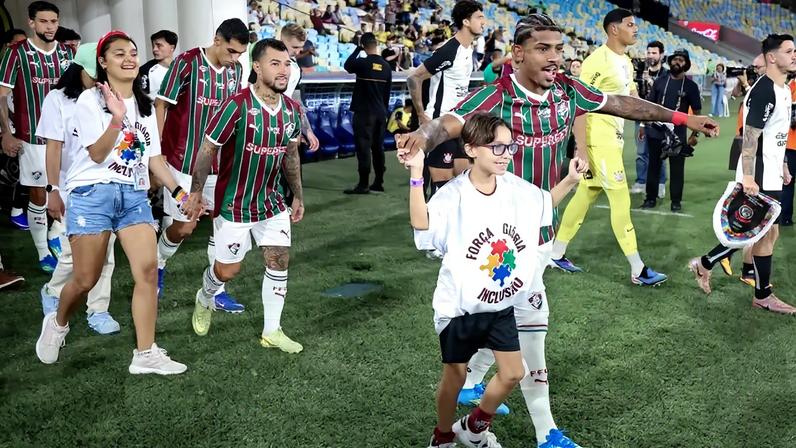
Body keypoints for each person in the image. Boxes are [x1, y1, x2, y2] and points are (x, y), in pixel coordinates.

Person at [397, 13, 718, 446]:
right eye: (543, 49)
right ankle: (545, 431)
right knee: (532, 330)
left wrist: (682, 119)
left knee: (502, 316)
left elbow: (621, 103)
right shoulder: (494, 96)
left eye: (559, 50)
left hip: (541, 228)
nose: (554, 58)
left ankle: (473, 385)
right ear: (518, 54)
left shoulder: (568, 90)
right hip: (502, 238)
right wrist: (421, 134)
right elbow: (447, 125)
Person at [406, 112, 586, 448]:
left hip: (501, 304)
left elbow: (544, 204)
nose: (505, 154)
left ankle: (473, 426)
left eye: (508, 146)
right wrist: (417, 174)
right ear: (472, 149)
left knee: (513, 373)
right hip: (459, 309)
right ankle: (442, 435)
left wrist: (571, 180)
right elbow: (422, 224)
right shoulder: (453, 195)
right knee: (455, 377)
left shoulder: (516, 189)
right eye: (496, 147)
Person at [35, 30, 187, 374]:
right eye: (119, 54)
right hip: (92, 193)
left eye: (133, 53)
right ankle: (58, 322)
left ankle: (145, 354)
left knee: (147, 271)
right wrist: (117, 119)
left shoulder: (145, 105)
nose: (130, 58)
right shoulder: (90, 100)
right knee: (85, 279)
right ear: (102, 63)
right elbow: (98, 152)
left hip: (133, 195)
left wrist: (179, 194)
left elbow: (155, 160)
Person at [184, 38, 305, 353]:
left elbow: (291, 156)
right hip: (234, 205)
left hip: (272, 201)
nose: (283, 70)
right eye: (275, 63)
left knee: (278, 260)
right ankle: (206, 296)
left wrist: (297, 196)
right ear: (257, 66)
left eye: (287, 63)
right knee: (228, 270)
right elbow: (208, 148)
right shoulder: (237, 105)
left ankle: (272, 331)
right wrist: (196, 192)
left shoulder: (291, 110)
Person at [551, 9, 667, 286]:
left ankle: (555, 253)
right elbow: (579, 105)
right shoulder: (595, 62)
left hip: (614, 138)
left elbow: (631, 99)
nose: (635, 29)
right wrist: (581, 148)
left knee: (586, 194)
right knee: (620, 199)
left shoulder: (626, 61)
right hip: (598, 140)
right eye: (630, 25)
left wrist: (648, 123)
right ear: (613, 29)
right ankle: (638, 269)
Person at [689, 34, 796, 315]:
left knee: (766, 234)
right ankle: (760, 293)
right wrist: (748, 176)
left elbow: (777, 135)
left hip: (772, 169)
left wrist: (783, 163)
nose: (794, 55)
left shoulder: (783, 88)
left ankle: (708, 264)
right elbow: (750, 137)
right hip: (758, 172)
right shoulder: (765, 90)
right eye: (789, 51)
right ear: (772, 57)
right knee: (763, 233)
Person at [154, 19, 248, 312]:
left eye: (240, 54)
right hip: (183, 161)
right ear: (216, 39)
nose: (234, 58)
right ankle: (157, 263)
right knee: (183, 227)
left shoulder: (237, 70)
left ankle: (216, 290)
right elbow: (162, 106)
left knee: (222, 226)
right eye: (231, 51)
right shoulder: (185, 63)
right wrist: (156, 153)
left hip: (220, 164)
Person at [37, 42, 120, 334]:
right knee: (77, 252)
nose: (101, 76)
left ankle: (98, 309)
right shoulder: (57, 100)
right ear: (81, 68)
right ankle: (53, 292)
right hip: (74, 186)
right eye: (96, 70)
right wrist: (52, 189)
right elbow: (53, 148)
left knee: (107, 250)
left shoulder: (107, 97)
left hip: (109, 181)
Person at [0, 1, 74, 273]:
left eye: (53, 21)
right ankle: (43, 252)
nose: (50, 27)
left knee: (65, 192)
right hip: (31, 136)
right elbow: (2, 95)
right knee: (39, 196)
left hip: (66, 138)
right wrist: (6, 133)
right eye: (44, 22)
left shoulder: (67, 53)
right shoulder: (16, 53)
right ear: (31, 22)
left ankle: (56, 233)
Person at [406, 0, 485, 197]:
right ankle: (429, 224)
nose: (484, 22)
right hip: (441, 124)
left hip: (459, 123)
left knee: (464, 181)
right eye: (479, 17)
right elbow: (414, 77)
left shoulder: (468, 49)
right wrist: (421, 115)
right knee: (442, 188)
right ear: (466, 22)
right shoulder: (450, 50)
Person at [640, 49, 702, 212]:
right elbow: (650, 106)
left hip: (678, 134)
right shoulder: (660, 81)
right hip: (655, 131)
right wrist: (644, 126)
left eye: (681, 60)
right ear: (670, 61)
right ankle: (650, 198)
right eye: (675, 59)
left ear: (686, 64)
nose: (677, 62)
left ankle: (676, 201)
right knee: (653, 166)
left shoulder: (691, 86)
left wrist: (695, 135)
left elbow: (697, 113)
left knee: (677, 169)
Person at [343, 32, 392, 194]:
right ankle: (379, 182)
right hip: (380, 113)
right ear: (376, 45)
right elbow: (387, 93)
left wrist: (358, 48)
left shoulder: (362, 63)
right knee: (378, 147)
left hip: (364, 113)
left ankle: (363, 184)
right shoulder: (386, 66)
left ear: (364, 46)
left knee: (363, 148)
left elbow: (347, 66)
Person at [631, 40, 668, 195]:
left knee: (660, 152)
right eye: (648, 52)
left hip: (659, 117)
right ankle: (641, 181)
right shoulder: (639, 71)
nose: (650, 56)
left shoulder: (666, 74)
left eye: (654, 53)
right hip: (640, 116)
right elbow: (632, 91)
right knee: (641, 151)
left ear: (661, 55)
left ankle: (660, 183)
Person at [138, 30, 178, 101]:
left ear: (172, 47)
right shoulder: (144, 70)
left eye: (159, 45)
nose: (154, 49)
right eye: (153, 46)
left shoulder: (182, 69)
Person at [780, 72, 796, 226]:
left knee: (788, 183)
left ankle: (784, 217)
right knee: (787, 182)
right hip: (790, 143)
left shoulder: (787, 88)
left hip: (790, 144)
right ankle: (784, 216)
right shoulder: (787, 88)